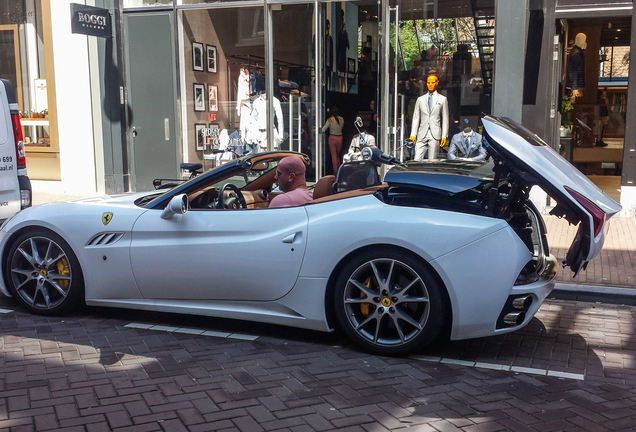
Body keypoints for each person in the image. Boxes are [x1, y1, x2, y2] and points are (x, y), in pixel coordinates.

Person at [409, 74, 449, 160]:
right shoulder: (420, 99)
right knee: (417, 159)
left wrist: (444, 135)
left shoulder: (442, 99)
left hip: (434, 133)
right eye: (428, 82)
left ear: (436, 83)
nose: (430, 84)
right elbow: (416, 117)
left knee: (432, 160)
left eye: (432, 82)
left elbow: (445, 118)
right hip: (422, 133)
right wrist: (413, 134)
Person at [322, 106, 345, 173]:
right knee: (338, 155)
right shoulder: (341, 119)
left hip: (332, 138)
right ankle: (339, 170)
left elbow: (324, 129)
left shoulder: (330, 120)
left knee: (333, 155)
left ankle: (335, 171)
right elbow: (342, 127)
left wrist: (316, 130)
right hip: (340, 138)